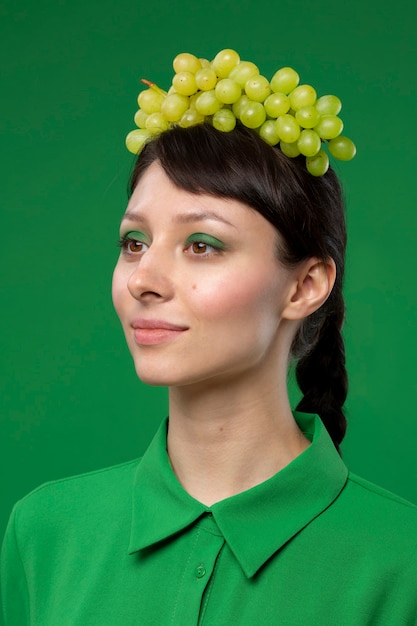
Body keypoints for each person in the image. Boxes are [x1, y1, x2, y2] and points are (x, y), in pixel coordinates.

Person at [2, 52, 417, 625]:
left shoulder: (403, 565)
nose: (143, 279)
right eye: (134, 242)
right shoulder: (43, 531)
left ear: (305, 284)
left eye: (201, 244)